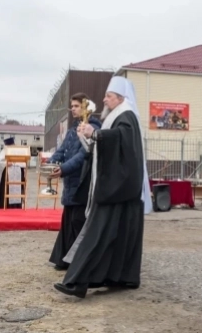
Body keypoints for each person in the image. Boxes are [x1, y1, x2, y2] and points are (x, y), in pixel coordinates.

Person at [53, 76, 149, 299]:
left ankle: (78, 282)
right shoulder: (116, 117)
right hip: (118, 189)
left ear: (120, 98)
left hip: (116, 189)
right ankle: (122, 277)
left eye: (109, 96)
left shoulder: (126, 117)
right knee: (120, 236)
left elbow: (119, 140)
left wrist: (94, 134)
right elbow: (102, 149)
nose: (104, 100)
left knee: (95, 236)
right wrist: (88, 138)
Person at [48, 92, 102, 271]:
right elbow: (62, 150)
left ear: (86, 107)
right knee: (68, 219)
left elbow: (83, 155)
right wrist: (50, 163)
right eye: (72, 106)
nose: (73, 109)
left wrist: (63, 169)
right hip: (71, 180)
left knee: (78, 220)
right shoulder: (73, 129)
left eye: (77, 106)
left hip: (83, 180)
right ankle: (64, 259)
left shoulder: (91, 128)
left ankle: (79, 261)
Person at [0, 137, 26, 209]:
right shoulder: (3, 152)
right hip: (6, 175)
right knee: (6, 189)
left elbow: (23, 162)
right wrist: (6, 163)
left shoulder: (18, 151)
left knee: (17, 190)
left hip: (17, 174)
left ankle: (16, 207)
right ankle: (5, 206)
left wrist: (16, 163)